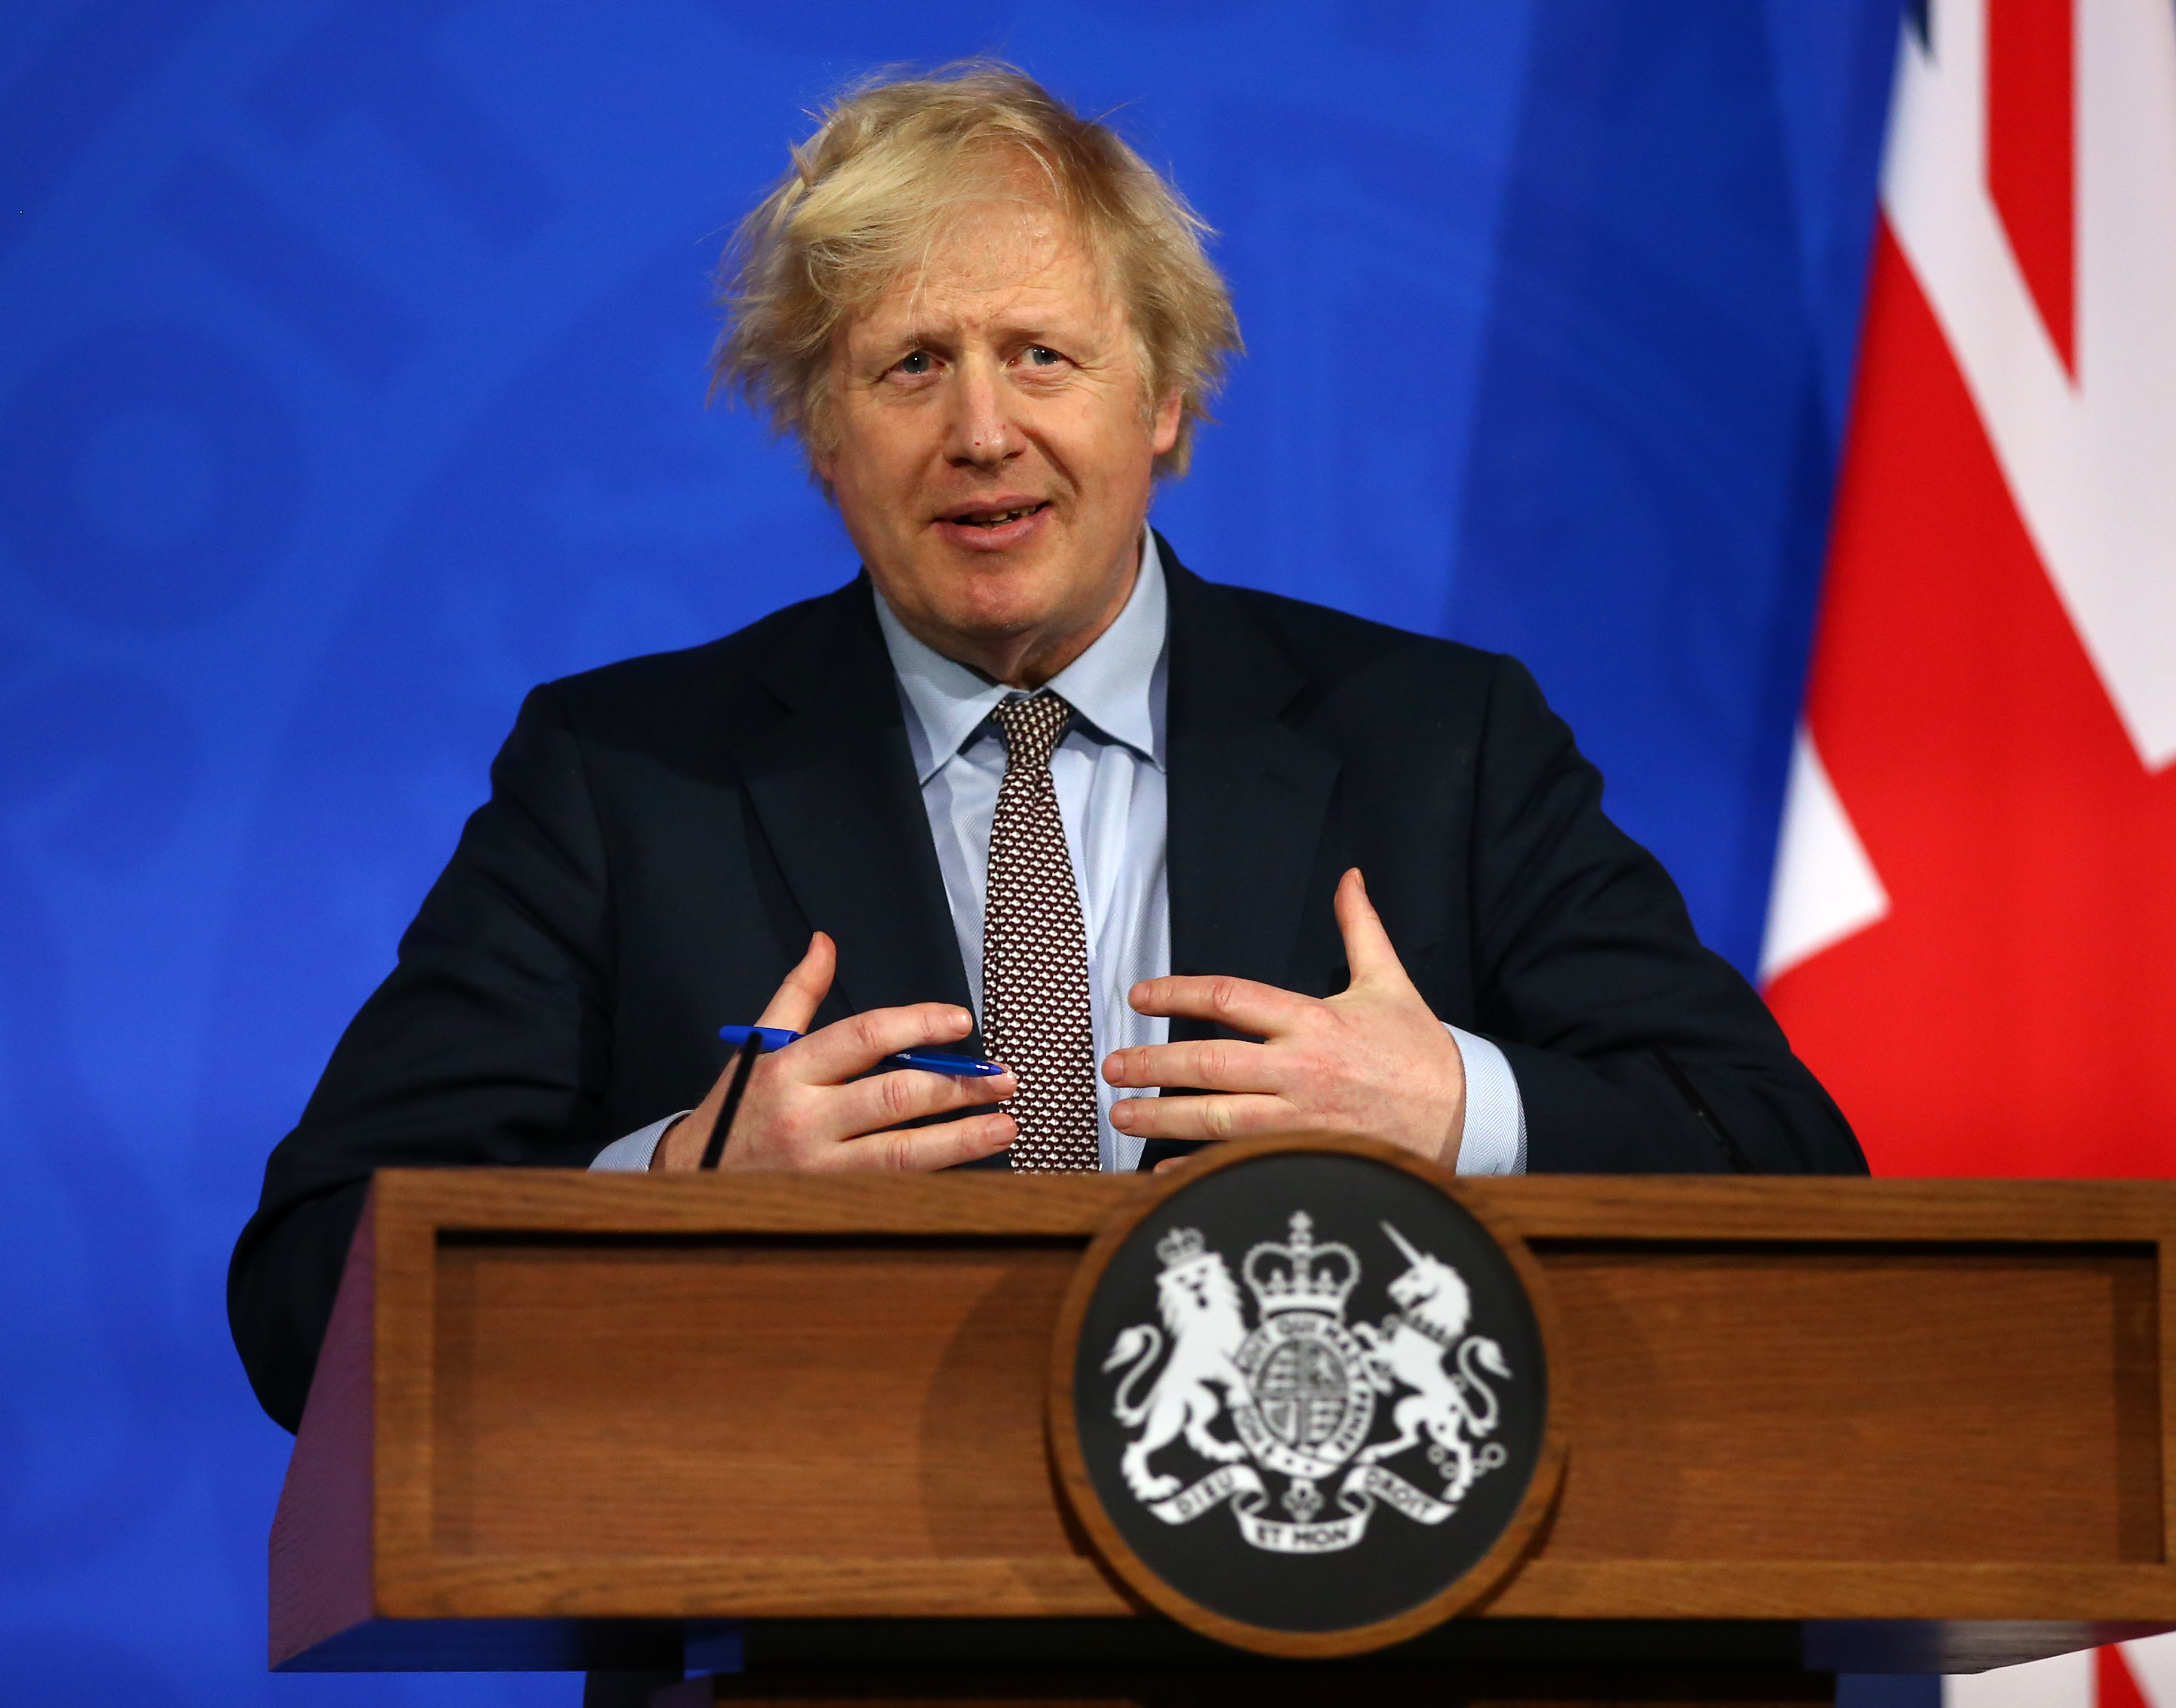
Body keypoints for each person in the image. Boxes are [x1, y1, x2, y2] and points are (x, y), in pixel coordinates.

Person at [229, 63, 1864, 1435]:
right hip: (814, 1627)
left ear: (1163, 402)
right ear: (820, 435)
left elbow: (1792, 1172)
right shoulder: (625, 777)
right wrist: (675, 1191)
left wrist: (1452, 1107)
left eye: (1041, 355)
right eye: (909, 367)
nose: (982, 431)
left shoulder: (1438, 743)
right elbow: (308, 1300)